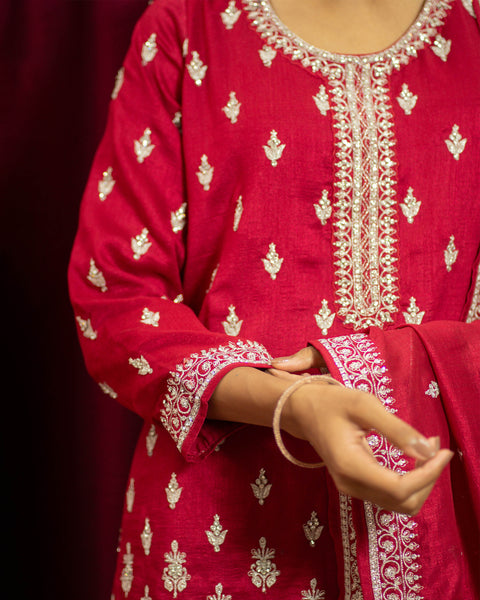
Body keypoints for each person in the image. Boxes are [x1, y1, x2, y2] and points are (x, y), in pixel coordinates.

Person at [68, 0, 480, 598]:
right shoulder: (189, 24)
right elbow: (117, 296)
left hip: (436, 517)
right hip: (222, 529)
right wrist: (292, 404)